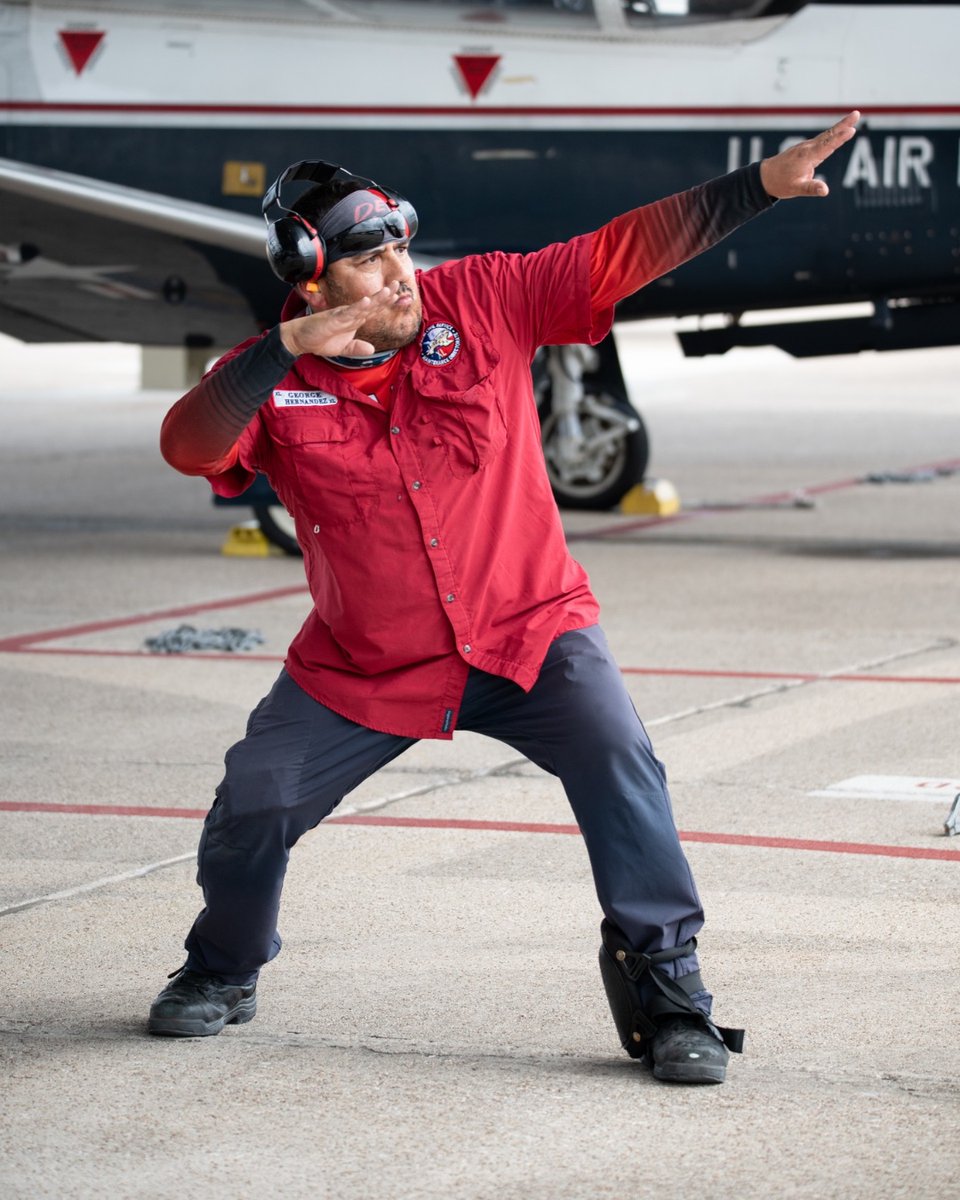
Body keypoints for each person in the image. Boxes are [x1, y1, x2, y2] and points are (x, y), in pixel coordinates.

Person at [151, 111, 860, 1084]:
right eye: (369, 256)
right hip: (366, 666)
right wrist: (281, 350)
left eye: (401, 241)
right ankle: (221, 968)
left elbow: (620, 252)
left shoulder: (480, 297)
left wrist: (758, 188)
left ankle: (669, 997)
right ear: (311, 275)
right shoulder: (271, 379)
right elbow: (187, 446)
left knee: (620, 755)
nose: (401, 270)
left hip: (531, 633)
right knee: (254, 801)